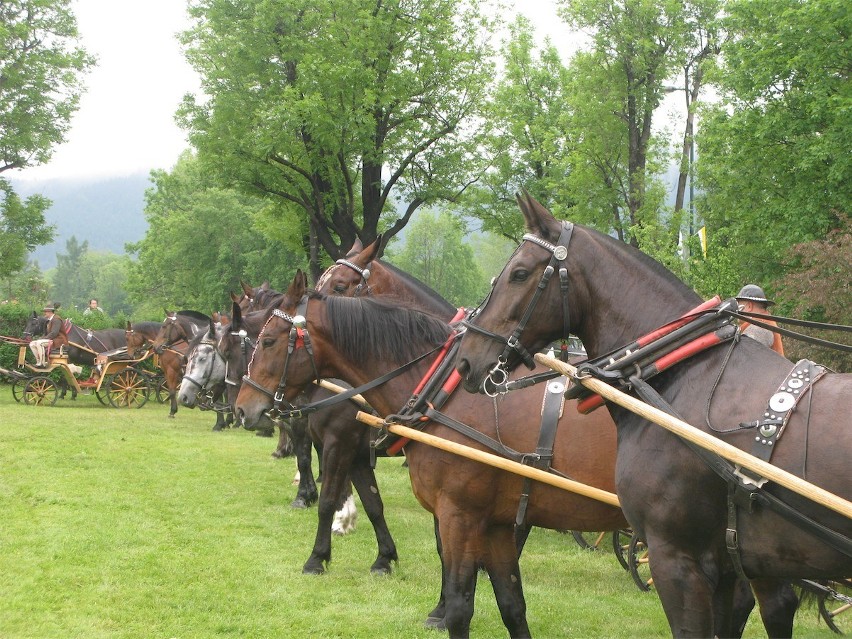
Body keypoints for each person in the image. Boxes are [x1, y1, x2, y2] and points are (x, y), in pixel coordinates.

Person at [735, 284, 785, 356]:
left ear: (749, 306)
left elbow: (744, 359)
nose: (737, 311)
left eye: (739, 306)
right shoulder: (764, 323)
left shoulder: (760, 327)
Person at [28, 303, 64, 368]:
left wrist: (43, 339)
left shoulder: (56, 319)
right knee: (32, 344)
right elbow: (46, 333)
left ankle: (42, 363)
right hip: (51, 339)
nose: (44, 313)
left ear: (50, 312)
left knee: (39, 343)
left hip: (58, 340)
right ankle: (38, 362)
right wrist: (42, 338)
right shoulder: (48, 321)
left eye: (46, 312)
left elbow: (54, 333)